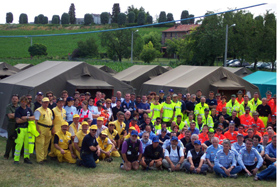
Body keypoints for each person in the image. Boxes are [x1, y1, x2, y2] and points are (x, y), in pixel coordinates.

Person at [13, 96, 35, 164]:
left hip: (27, 129)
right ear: (20, 102)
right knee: (19, 144)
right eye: (22, 101)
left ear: (26, 102)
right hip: (20, 129)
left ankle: (26, 158)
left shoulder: (28, 109)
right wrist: (28, 119)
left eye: (25, 102)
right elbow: (18, 121)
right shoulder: (18, 110)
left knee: (27, 144)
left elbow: (33, 117)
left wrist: (26, 118)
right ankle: (16, 159)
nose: (23, 103)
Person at [34, 97, 53, 163]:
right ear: (42, 103)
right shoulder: (38, 111)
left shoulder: (49, 110)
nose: (46, 104)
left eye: (47, 103)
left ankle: (44, 157)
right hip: (41, 128)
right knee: (40, 144)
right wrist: (37, 129)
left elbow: (51, 119)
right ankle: (40, 159)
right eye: (44, 102)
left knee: (46, 144)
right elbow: (35, 121)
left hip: (48, 129)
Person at [4, 94, 19, 159]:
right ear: (11, 99)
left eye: (16, 99)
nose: (14, 100)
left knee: (16, 139)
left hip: (18, 124)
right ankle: (6, 155)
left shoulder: (19, 107)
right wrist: (18, 114)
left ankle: (14, 154)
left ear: (18, 100)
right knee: (10, 139)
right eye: (13, 99)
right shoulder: (9, 106)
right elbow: (10, 116)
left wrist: (14, 114)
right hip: (11, 124)